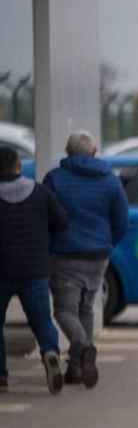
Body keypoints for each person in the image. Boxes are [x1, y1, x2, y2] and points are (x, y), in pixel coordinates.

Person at [43, 131, 129, 387]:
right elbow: (122, 220)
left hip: (65, 254)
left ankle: (81, 347)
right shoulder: (110, 180)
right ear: (94, 152)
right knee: (85, 308)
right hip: (98, 254)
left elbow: (46, 218)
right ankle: (77, 368)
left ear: (68, 152)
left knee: (63, 311)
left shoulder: (54, 179)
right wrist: (108, 243)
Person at [0, 146, 68, 394]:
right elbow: (62, 222)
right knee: (41, 320)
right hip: (35, 269)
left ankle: (1, 376)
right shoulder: (40, 192)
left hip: (2, 271)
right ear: (18, 165)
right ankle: (50, 352)